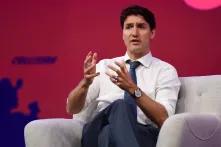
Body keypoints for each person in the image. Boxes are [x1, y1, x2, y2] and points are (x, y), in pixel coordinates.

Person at [66, 5, 181, 147]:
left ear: (152, 33)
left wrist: (133, 90)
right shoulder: (104, 66)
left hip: (142, 135)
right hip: (99, 130)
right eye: (129, 27)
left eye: (141, 26)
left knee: (110, 132)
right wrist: (85, 84)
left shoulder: (165, 71)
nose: (134, 33)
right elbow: (72, 108)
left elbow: (164, 119)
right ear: (122, 33)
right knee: (119, 107)